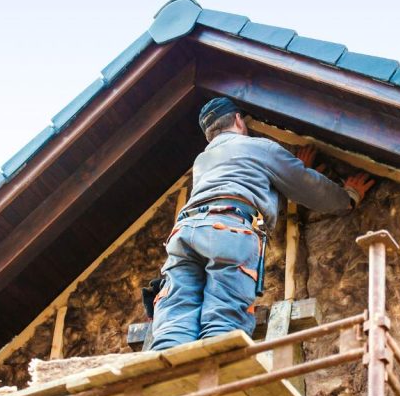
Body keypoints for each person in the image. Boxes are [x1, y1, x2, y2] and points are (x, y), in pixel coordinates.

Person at [150, 97, 374, 351]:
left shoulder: (202, 161)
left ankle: (164, 374)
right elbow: (306, 185)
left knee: (176, 314)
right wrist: (348, 197)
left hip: (185, 233)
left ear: (210, 134)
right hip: (229, 230)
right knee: (223, 316)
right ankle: (217, 380)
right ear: (237, 119)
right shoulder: (260, 147)